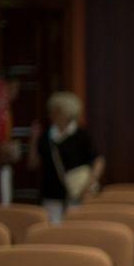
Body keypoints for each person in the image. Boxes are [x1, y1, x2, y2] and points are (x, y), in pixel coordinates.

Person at [27, 91, 104, 223]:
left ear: (68, 113)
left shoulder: (81, 135)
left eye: (57, 111)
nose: (52, 115)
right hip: (51, 193)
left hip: (77, 192)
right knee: (53, 230)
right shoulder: (46, 136)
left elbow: (97, 160)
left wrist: (89, 184)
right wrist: (33, 140)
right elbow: (32, 163)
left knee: (76, 228)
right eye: (51, 111)